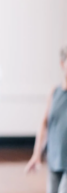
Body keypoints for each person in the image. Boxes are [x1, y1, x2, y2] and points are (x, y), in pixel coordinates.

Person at [25, 46, 67, 193]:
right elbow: (44, 124)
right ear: (63, 64)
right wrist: (37, 154)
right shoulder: (54, 92)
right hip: (54, 159)